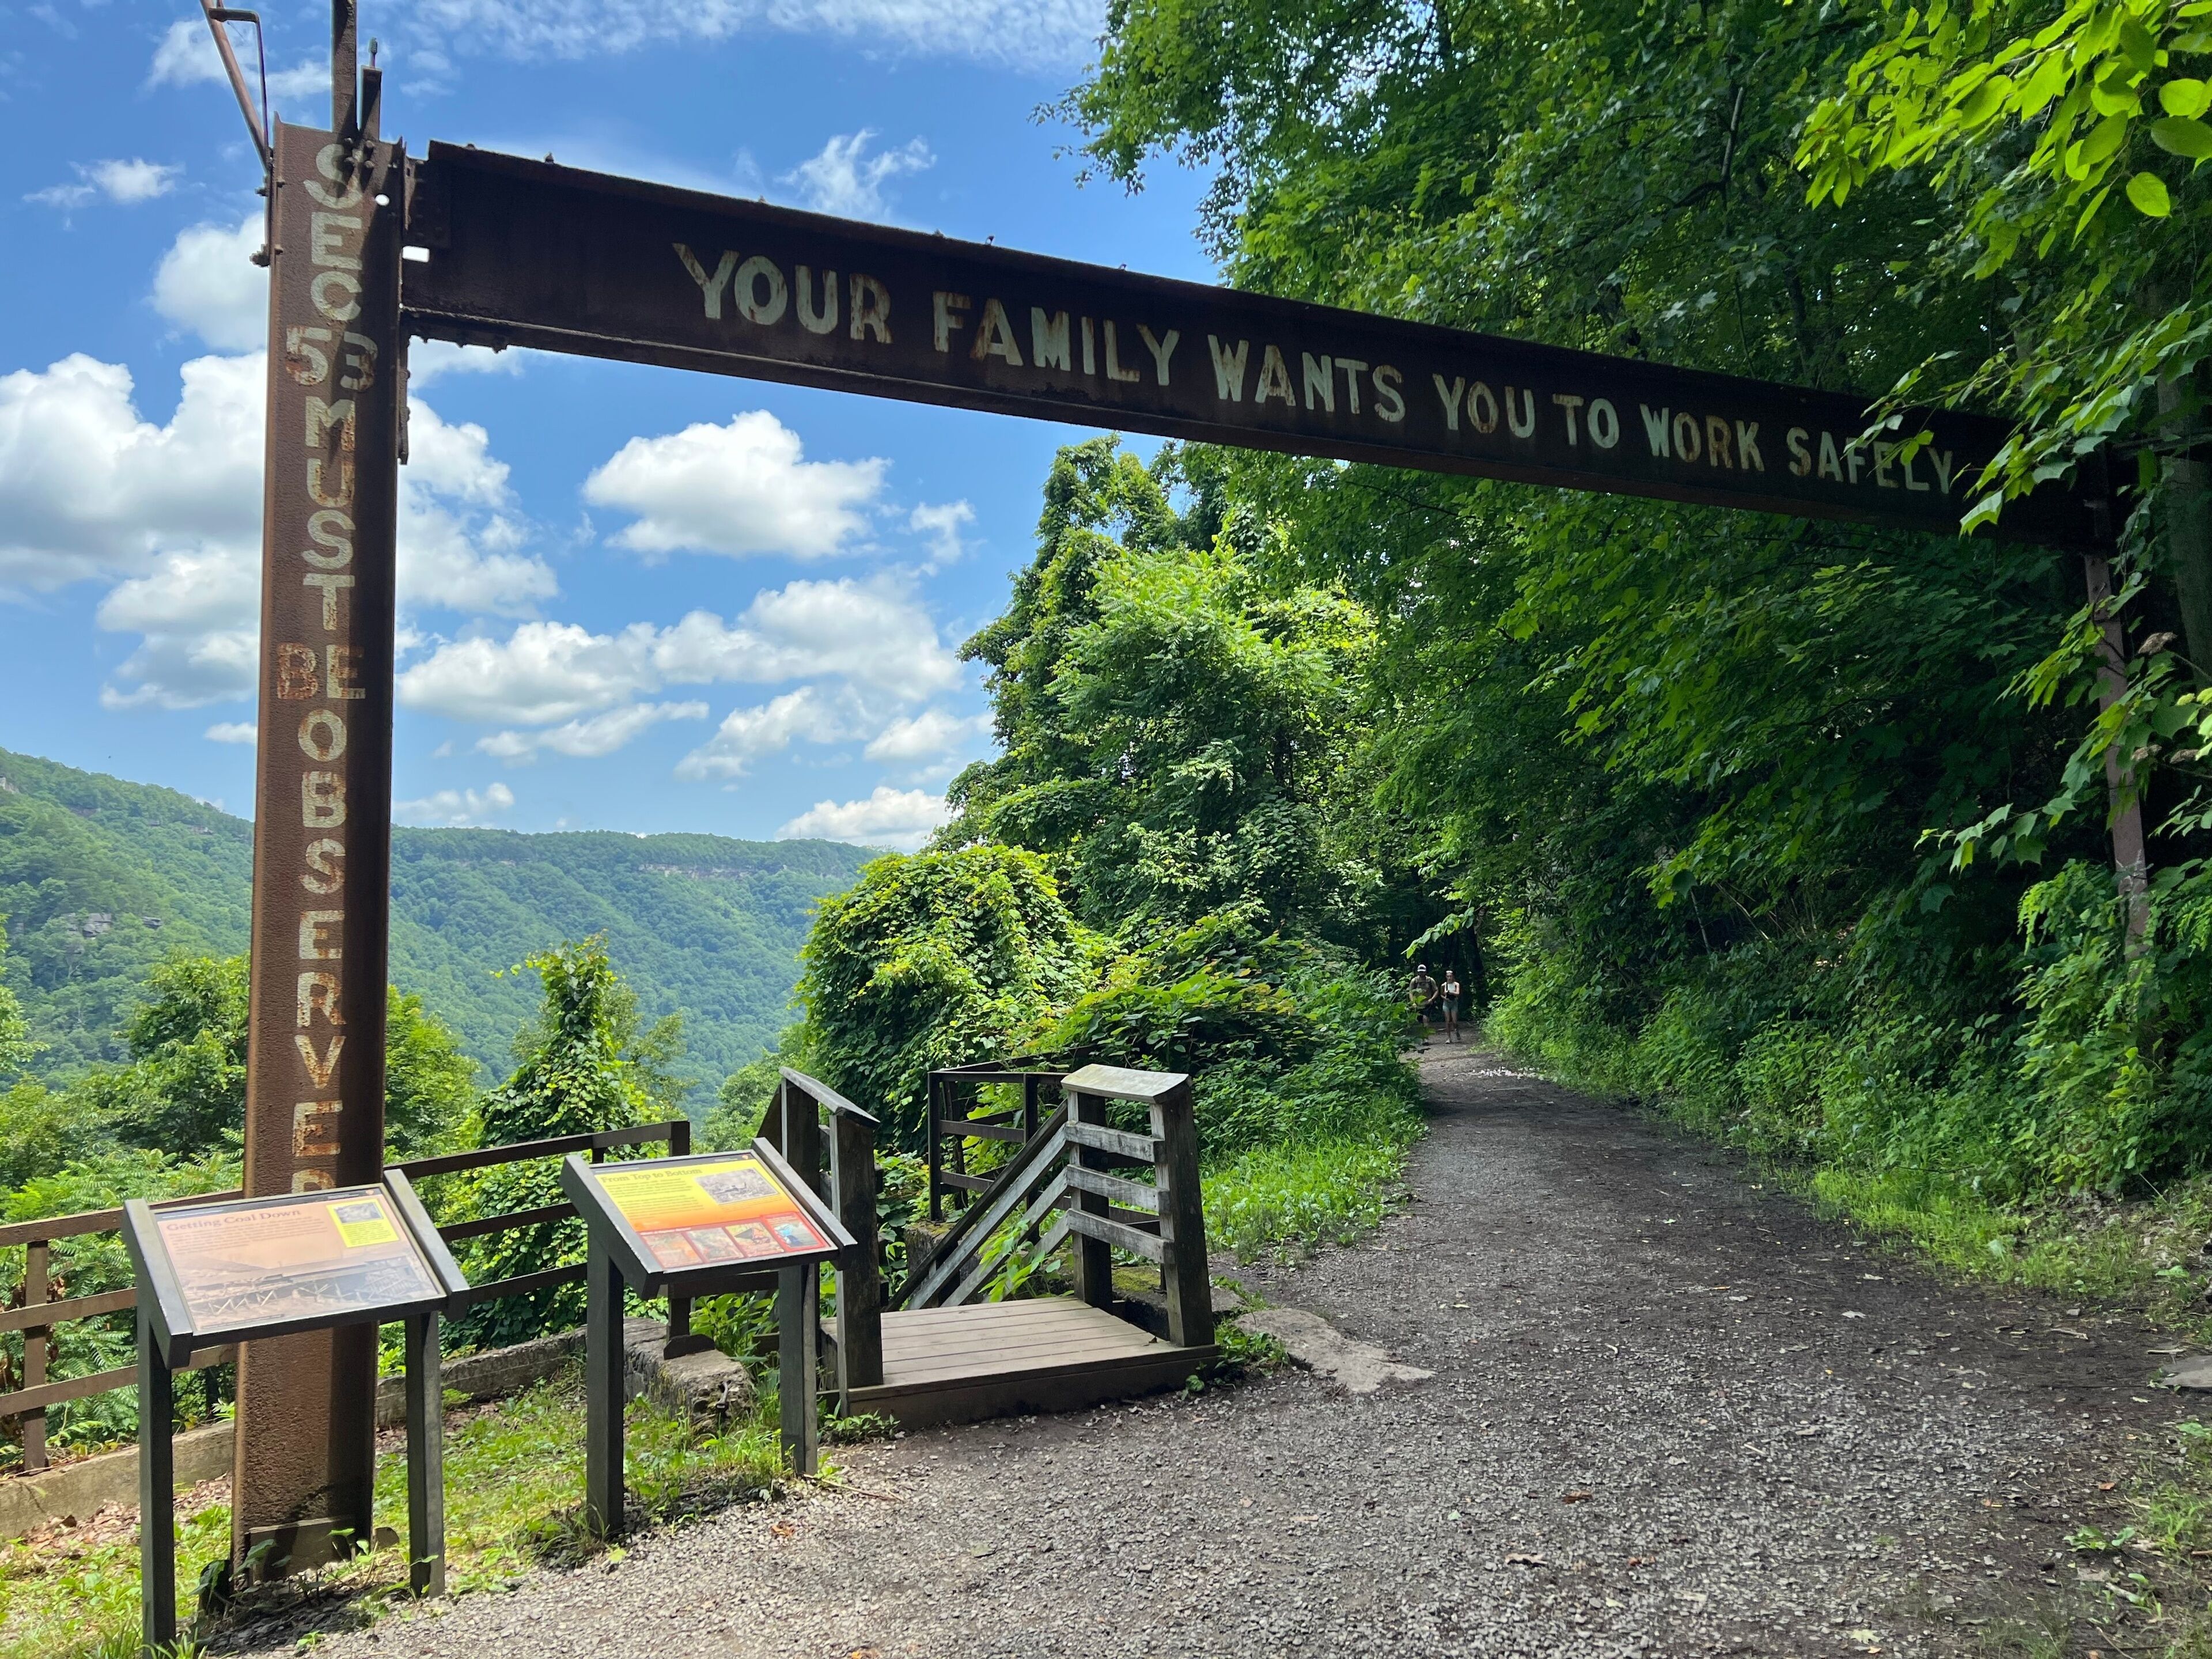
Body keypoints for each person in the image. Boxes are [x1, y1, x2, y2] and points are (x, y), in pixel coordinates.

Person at [1407, 963, 1438, 1040]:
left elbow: (1436, 990)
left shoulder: (1430, 980)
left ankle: (1426, 1037)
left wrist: (1432, 999)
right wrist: (1413, 1002)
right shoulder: (1414, 981)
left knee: (1425, 1019)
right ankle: (1422, 1036)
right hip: (1418, 1004)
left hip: (1427, 1003)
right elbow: (1411, 992)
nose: (1421, 973)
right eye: (1420, 972)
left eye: (1423, 972)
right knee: (1420, 1022)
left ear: (1425, 972)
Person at [1441, 968, 1462, 1043]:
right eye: (1448, 976)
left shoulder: (1456, 984)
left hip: (1454, 1003)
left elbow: (1458, 993)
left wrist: (1451, 992)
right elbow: (1441, 994)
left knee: (1454, 1021)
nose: (1449, 978)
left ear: (1453, 977)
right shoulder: (1444, 985)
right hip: (1446, 1003)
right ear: (1446, 977)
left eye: (1451, 976)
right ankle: (1449, 1038)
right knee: (1448, 1021)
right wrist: (1445, 998)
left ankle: (1456, 1030)